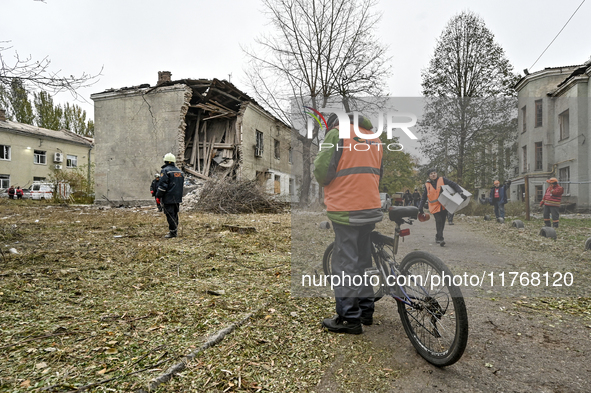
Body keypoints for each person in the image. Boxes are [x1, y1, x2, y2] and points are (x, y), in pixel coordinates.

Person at [314, 113, 383, 335]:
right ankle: (366, 311)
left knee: (345, 264)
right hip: (370, 206)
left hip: (347, 207)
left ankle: (348, 319)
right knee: (363, 260)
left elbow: (322, 172)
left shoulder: (337, 134)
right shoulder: (375, 138)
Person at [418, 168, 467, 246]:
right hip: (433, 207)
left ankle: (438, 235)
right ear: (429, 176)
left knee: (443, 221)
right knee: (439, 220)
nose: (433, 174)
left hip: (444, 205)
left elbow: (454, 185)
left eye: (434, 173)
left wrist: (460, 193)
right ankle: (440, 238)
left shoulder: (442, 180)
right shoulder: (427, 185)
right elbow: (424, 196)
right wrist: (420, 207)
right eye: (431, 174)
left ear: (436, 174)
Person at [156, 153, 184, 238]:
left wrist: (158, 195)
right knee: (175, 214)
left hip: (168, 198)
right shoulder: (179, 172)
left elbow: (162, 186)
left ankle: (173, 232)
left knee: (170, 214)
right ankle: (175, 230)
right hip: (177, 197)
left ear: (165, 161)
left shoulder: (165, 171)